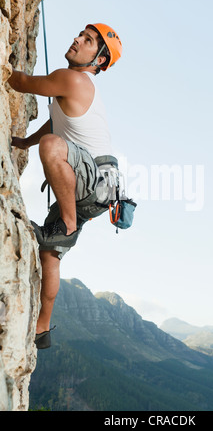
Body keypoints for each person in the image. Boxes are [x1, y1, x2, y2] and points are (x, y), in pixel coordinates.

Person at [8, 23, 122, 349]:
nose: (77, 39)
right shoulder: (71, 89)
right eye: (81, 34)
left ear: (98, 61)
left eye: (88, 41)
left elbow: (23, 82)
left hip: (93, 179)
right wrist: (23, 142)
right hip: (96, 188)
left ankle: (68, 224)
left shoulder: (72, 78)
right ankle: (41, 330)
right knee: (50, 254)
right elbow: (54, 119)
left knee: (52, 145)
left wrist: (4, 66)